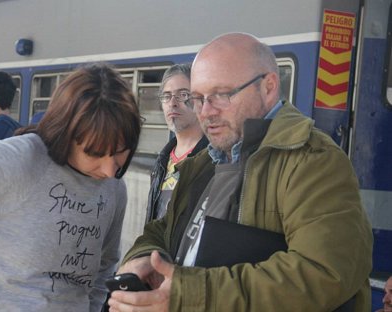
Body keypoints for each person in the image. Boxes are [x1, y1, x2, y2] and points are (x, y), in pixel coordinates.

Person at [108, 33, 373, 312]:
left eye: (221, 95)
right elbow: (163, 230)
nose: (206, 112)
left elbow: (324, 273)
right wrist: (144, 260)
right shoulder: (203, 163)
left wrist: (189, 296)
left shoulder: (313, 160)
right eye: (197, 98)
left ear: (269, 87)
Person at [0, 63, 142, 312]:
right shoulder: (15, 161)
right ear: (64, 133)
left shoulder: (114, 187)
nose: (110, 170)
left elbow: (105, 264)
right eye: (95, 153)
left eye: (121, 152)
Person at [146, 64, 208, 222]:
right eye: (166, 96)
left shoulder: (212, 159)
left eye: (183, 95)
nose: (172, 103)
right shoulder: (162, 161)